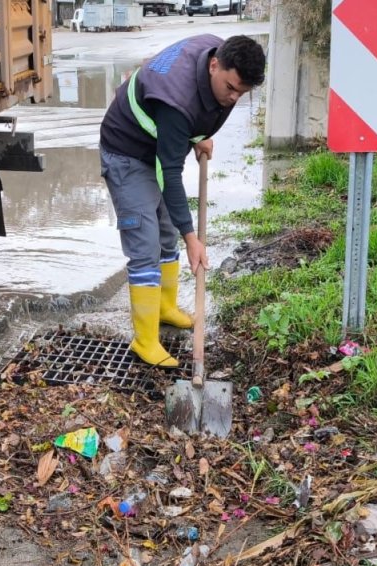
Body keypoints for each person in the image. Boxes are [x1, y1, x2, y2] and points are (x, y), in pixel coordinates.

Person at [99, 34, 266, 367]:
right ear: (214, 65)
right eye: (231, 88)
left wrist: (196, 137)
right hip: (126, 153)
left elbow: (187, 126)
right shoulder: (176, 99)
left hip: (158, 144)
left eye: (241, 94)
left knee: (165, 232)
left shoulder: (217, 50)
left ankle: (165, 308)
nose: (233, 99)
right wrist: (193, 238)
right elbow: (170, 172)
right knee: (144, 242)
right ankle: (145, 340)